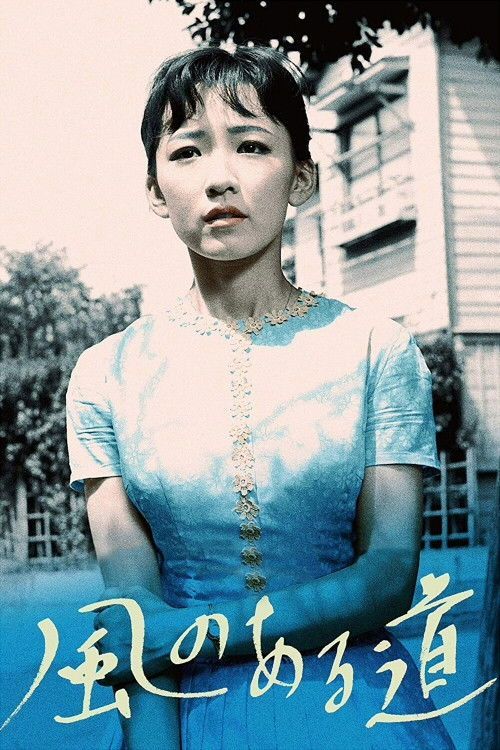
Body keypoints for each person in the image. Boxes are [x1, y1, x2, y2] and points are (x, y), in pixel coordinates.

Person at [66, 45, 455, 749]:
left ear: (301, 176)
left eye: (251, 145)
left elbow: (389, 576)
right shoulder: (106, 375)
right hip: (195, 720)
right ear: (155, 188)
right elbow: (134, 624)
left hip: (361, 716)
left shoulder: (376, 350)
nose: (220, 177)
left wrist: (191, 635)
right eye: (187, 152)